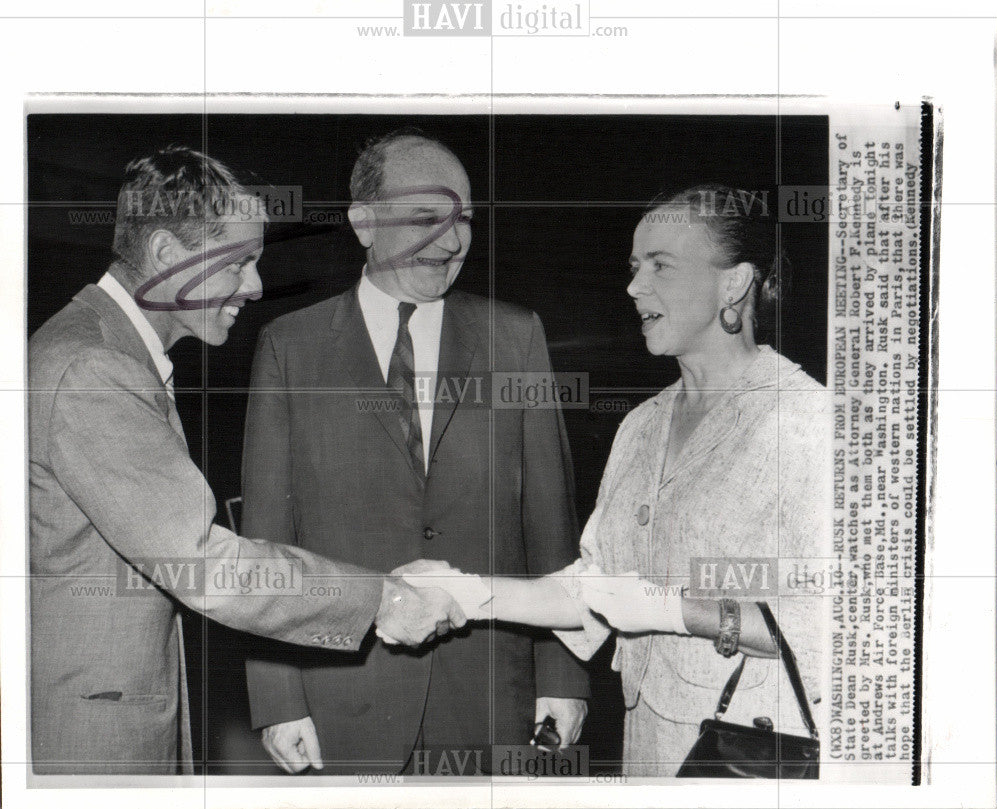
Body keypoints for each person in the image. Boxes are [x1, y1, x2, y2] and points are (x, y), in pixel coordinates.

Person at [28, 146, 464, 776]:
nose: (255, 286)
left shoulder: (96, 347)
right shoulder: (94, 368)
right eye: (239, 262)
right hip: (90, 740)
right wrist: (382, 599)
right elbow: (203, 563)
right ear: (166, 258)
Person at [402, 184, 829, 776]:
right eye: (634, 267)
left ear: (734, 284)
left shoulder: (807, 420)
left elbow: (833, 619)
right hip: (650, 752)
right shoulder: (640, 426)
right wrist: (467, 592)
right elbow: (595, 590)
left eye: (661, 266)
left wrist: (670, 609)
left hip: (757, 759)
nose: (634, 287)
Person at [241, 130, 589, 775]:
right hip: (341, 694)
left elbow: (551, 523)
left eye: (464, 220)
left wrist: (562, 679)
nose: (452, 240)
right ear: (364, 222)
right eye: (427, 217)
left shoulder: (513, 337)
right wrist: (277, 697)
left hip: (491, 695)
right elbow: (266, 538)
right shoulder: (291, 345)